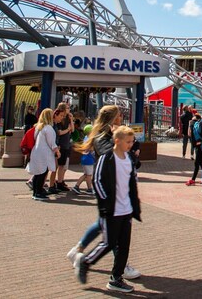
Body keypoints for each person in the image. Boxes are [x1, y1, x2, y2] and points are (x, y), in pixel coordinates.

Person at [76, 125, 142, 293]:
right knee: (108, 243)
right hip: (112, 209)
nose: (130, 145)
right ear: (117, 141)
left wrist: (134, 204)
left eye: (132, 142)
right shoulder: (107, 158)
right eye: (128, 142)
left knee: (124, 246)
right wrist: (106, 203)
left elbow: (131, 181)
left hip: (126, 209)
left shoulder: (128, 158)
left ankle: (116, 278)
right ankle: (86, 262)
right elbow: (97, 181)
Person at [26, 108, 58, 201]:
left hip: (36, 152)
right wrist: (57, 151)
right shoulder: (48, 128)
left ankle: (35, 192)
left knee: (38, 173)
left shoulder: (38, 127)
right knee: (42, 173)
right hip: (44, 154)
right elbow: (51, 143)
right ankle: (38, 192)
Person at [51, 102, 74, 193]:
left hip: (67, 144)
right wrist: (67, 129)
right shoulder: (59, 120)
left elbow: (72, 130)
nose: (69, 110)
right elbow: (59, 132)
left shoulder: (67, 118)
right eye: (67, 108)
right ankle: (56, 183)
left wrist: (71, 120)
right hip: (61, 144)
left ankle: (60, 181)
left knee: (63, 165)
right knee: (58, 166)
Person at [185, 112, 202, 186]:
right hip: (201, 144)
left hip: (196, 145)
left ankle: (193, 179)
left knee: (197, 163)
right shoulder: (201, 123)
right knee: (201, 162)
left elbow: (189, 134)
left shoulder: (192, 123)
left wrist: (189, 124)